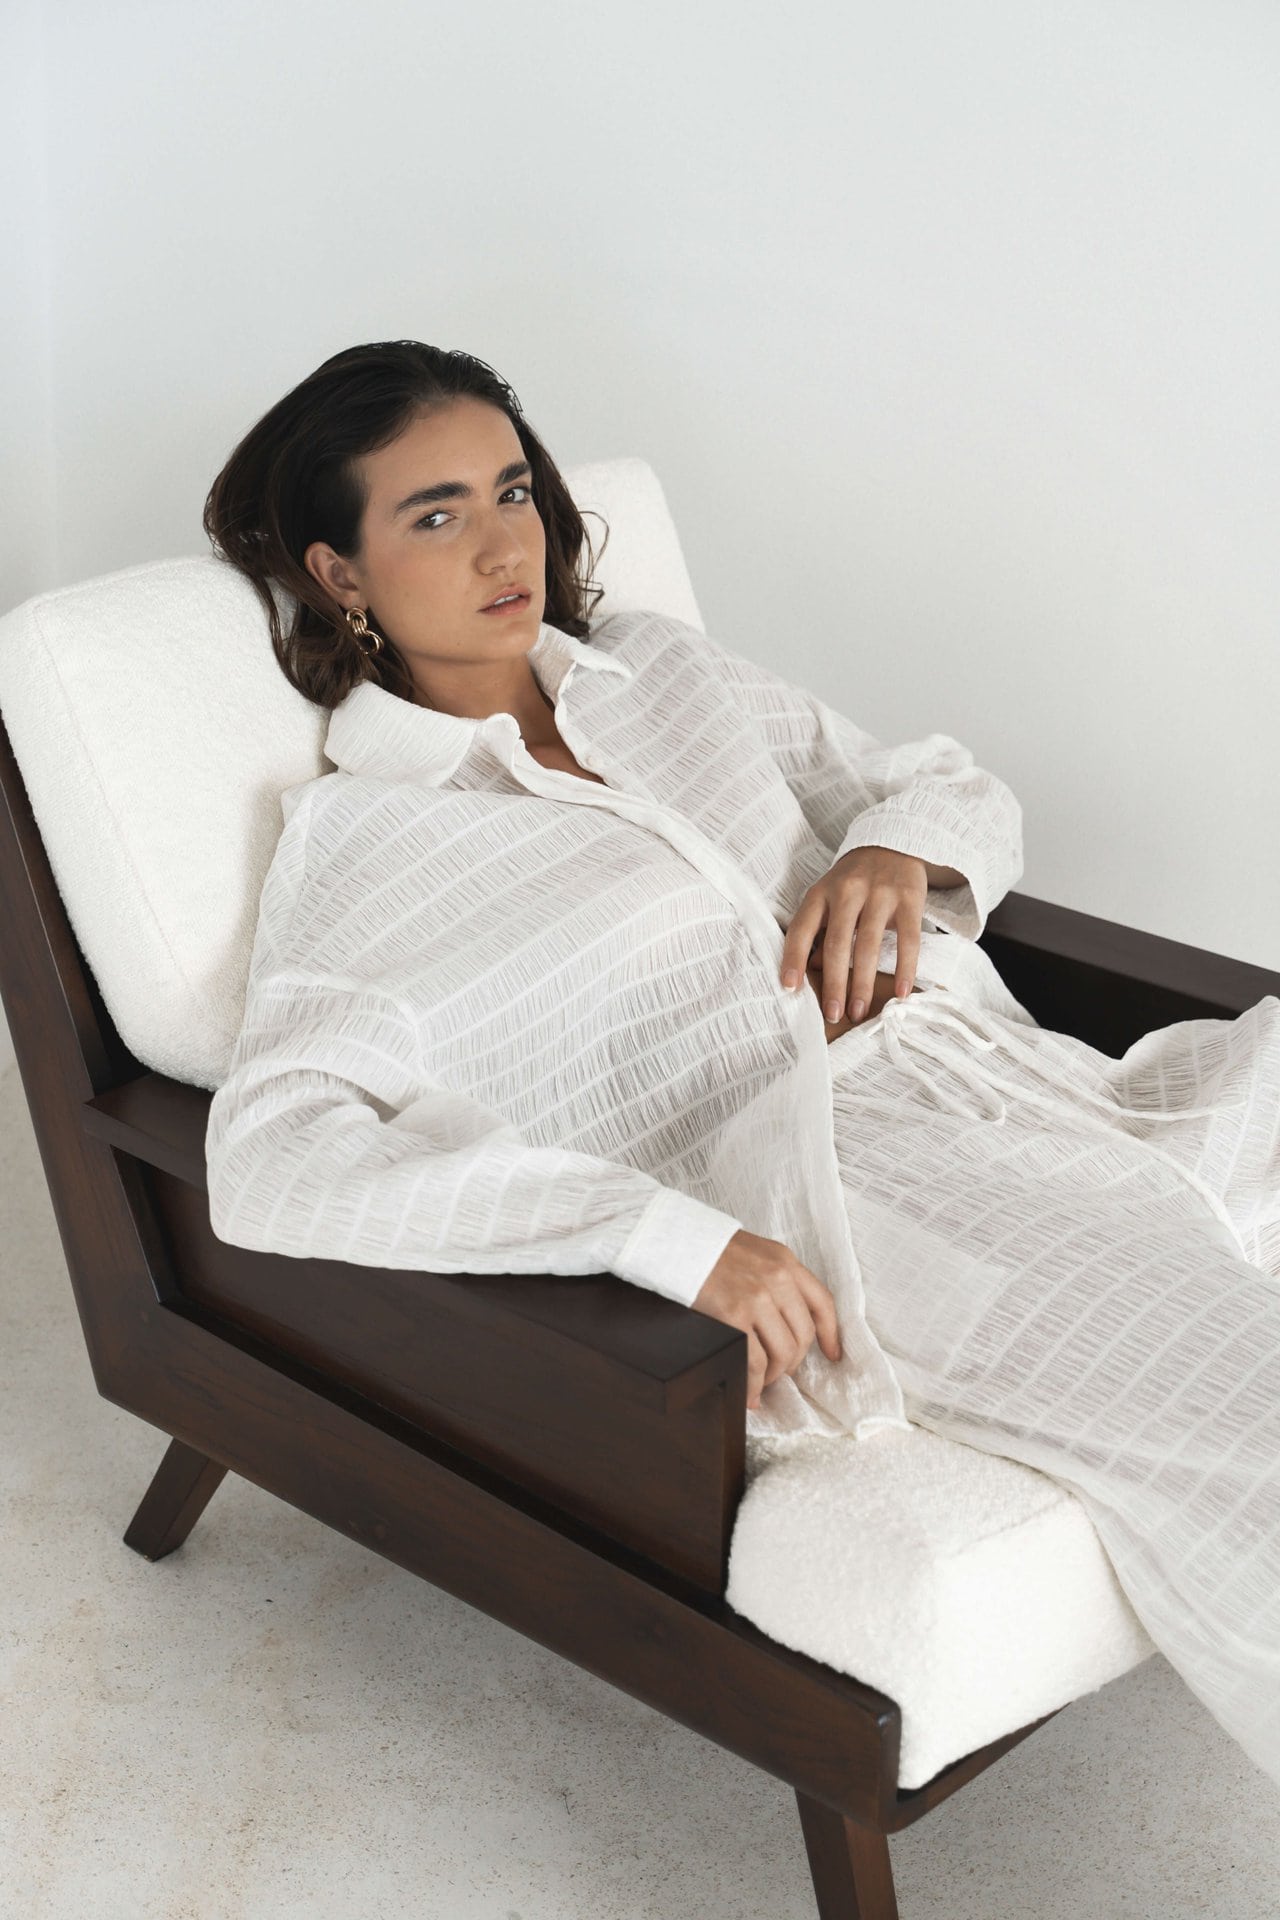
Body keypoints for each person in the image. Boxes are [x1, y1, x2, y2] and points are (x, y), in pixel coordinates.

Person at [203, 340, 1280, 1792]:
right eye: (435, 515)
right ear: (340, 574)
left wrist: (895, 850)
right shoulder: (371, 845)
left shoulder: (663, 672)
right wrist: (661, 1237)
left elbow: (945, 783)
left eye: (512, 490)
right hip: (878, 1194)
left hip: (1031, 1079)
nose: (506, 546)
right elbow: (272, 1156)